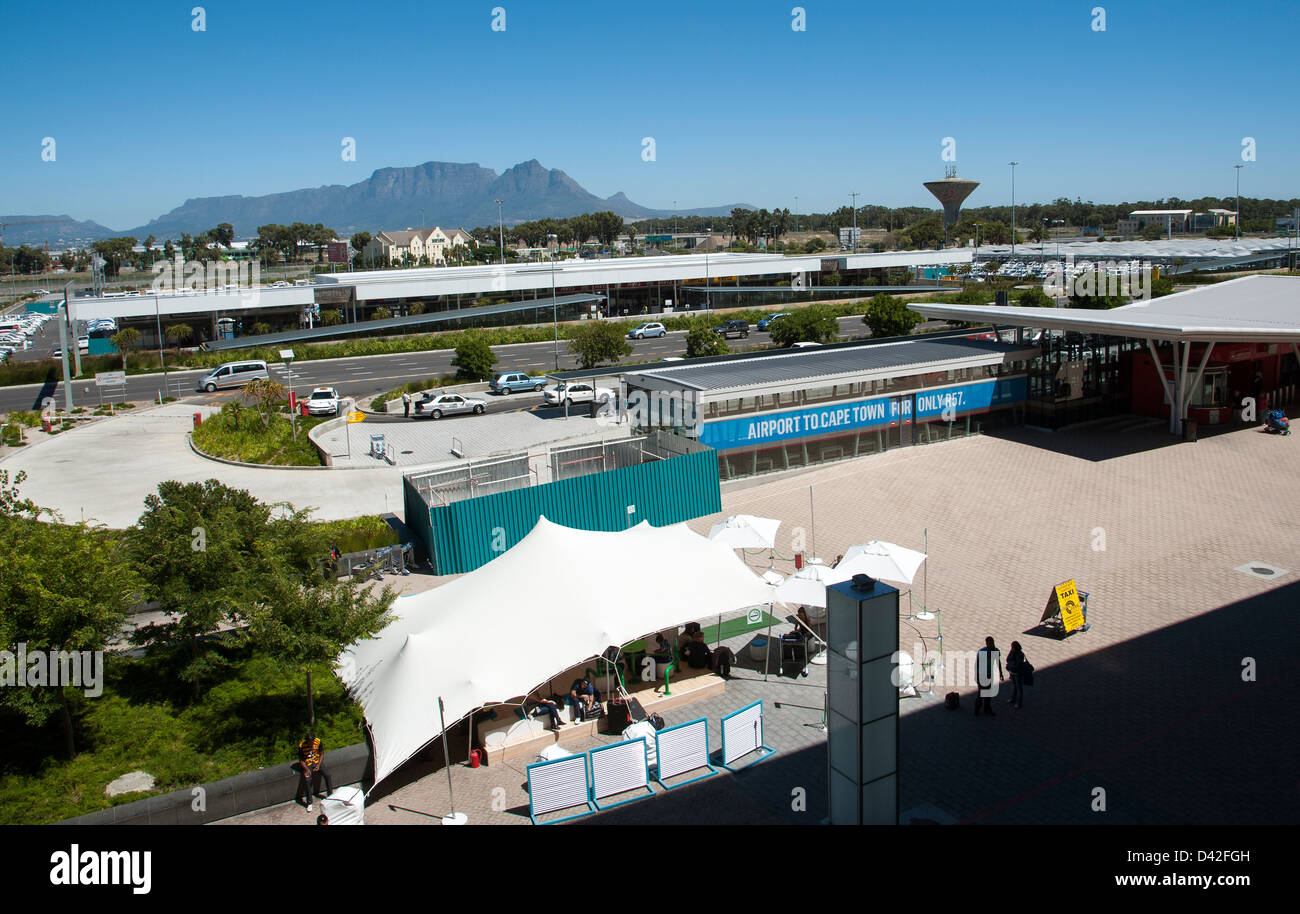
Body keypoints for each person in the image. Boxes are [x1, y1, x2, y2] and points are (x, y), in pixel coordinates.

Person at [294, 733, 334, 811]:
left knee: (327, 775)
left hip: (317, 762)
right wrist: (306, 769)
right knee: (307, 780)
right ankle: (309, 803)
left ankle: (330, 796)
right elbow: (301, 760)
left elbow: (321, 753)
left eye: (312, 742)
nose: (311, 744)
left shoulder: (318, 742)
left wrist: (318, 765)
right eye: (309, 743)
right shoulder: (302, 746)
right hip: (308, 764)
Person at [974, 637, 1004, 717]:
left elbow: (998, 662)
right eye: (989, 643)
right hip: (982, 675)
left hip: (990, 675)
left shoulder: (996, 651)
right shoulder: (981, 652)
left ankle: (986, 708)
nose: (991, 645)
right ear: (987, 644)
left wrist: (1001, 673)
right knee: (981, 694)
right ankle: (977, 708)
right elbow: (976, 665)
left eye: (992, 643)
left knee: (988, 693)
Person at [1005, 641, 1026, 709]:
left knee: (1019, 688)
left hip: (1018, 673)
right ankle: (1013, 699)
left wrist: (1011, 663)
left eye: (1012, 647)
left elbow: (1017, 665)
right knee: (1014, 686)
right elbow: (1007, 659)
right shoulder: (1012, 652)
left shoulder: (1020, 654)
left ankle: (1018, 703)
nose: (1011, 648)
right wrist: (1012, 663)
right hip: (1012, 672)